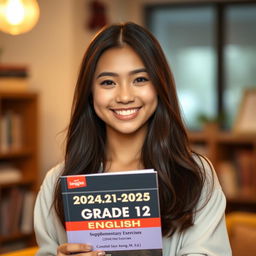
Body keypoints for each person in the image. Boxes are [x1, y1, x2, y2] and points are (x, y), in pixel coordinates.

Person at [34, 22, 232, 256]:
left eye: (140, 79)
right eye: (108, 82)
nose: (125, 96)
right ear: (90, 92)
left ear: (160, 86)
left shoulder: (195, 175)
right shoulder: (57, 181)